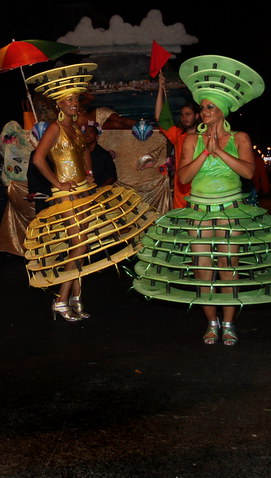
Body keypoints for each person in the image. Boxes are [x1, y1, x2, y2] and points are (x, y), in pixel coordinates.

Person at [132, 55, 271, 346]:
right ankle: (211, 323)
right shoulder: (189, 140)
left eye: (209, 107)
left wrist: (220, 152)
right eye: (203, 107)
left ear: (222, 111)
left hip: (230, 211)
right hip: (198, 211)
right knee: (202, 269)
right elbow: (184, 178)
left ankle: (229, 323)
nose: (204, 112)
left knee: (227, 267)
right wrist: (204, 152)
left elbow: (248, 171)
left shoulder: (240, 139)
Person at [22, 63, 154, 320]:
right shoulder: (54, 129)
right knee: (80, 246)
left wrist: (90, 175)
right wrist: (58, 183)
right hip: (67, 196)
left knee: (82, 245)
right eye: (68, 100)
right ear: (59, 104)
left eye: (75, 99)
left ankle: (75, 297)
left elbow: (84, 152)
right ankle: (61, 301)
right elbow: (38, 159)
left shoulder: (77, 130)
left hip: (84, 192)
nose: (74, 103)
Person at [154, 71, 198, 208]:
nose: (184, 118)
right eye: (182, 115)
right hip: (181, 192)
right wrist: (160, 88)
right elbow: (159, 118)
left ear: (197, 116)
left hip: (200, 190)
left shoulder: (206, 137)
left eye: (188, 114)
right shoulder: (179, 135)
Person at [82, 122, 117, 186]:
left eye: (90, 132)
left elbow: (112, 176)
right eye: (85, 132)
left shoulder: (104, 154)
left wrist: (102, 189)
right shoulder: (80, 153)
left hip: (99, 189)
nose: (87, 134)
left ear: (97, 136)